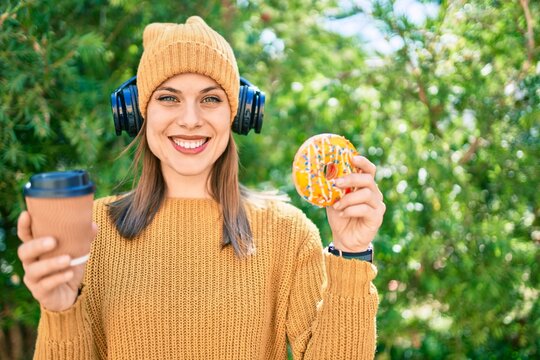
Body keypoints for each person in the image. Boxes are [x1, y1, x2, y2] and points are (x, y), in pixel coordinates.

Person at [16, 16, 385, 359]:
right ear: (138, 112)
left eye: (210, 99)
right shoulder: (91, 230)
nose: (190, 119)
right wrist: (61, 310)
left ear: (237, 113)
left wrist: (351, 254)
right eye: (168, 97)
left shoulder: (287, 233)